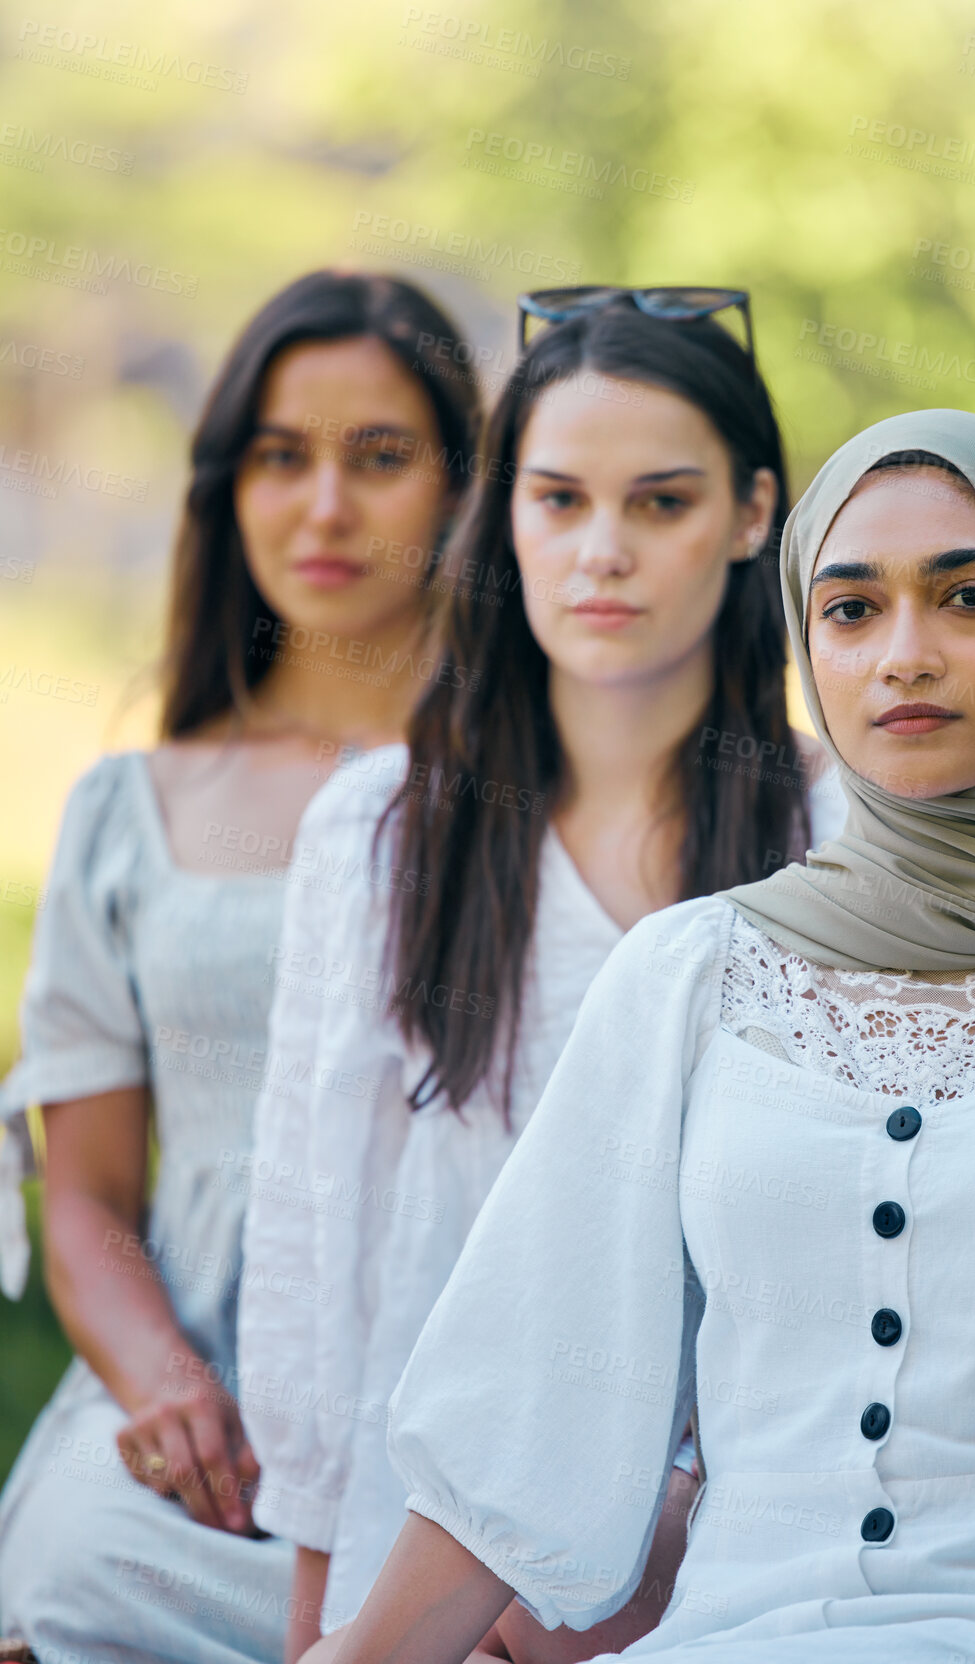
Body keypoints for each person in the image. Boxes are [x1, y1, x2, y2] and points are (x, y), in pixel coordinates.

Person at [306, 408, 975, 1664]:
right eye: (849, 608)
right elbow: (526, 1397)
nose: (903, 654)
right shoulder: (692, 974)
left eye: (969, 596)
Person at [237, 288, 844, 1663]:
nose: (602, 554)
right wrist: (324, 1610)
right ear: (502, 514)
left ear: (752, 515)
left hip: (754, 1533)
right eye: (558, 499)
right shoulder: (384, 830)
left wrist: (675, 1522)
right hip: (430, 1535)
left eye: (662, 502)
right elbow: (317, 1233)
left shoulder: (837, 830)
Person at [0, 269, 480, 1662]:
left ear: (462, 489)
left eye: (379, 459)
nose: (323, 507)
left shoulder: (540, 793)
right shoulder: (127, 811)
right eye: (281, 458)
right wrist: (165, 1392)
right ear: (228, 489)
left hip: (464, 1410)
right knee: (94, 1569)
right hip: (202, 1437)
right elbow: (84, 1199)